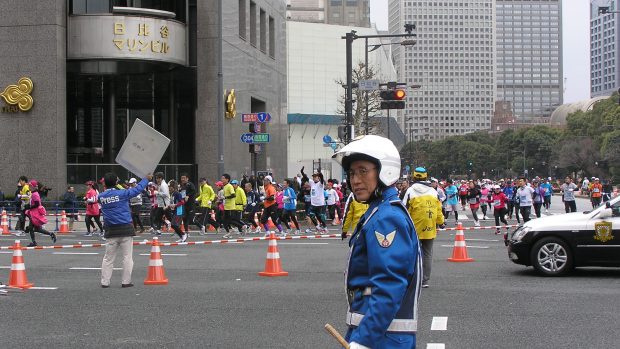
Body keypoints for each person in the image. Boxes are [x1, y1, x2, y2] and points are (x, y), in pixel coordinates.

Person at [332, 135, 420, 348]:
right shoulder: (380, 210)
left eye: (363, 171)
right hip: (379, 332)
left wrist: (363, 340)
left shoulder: (386, 217)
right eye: (352, 173)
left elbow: (389, 285)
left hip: (381, 337)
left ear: (385, 170)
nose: (355, 180)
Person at [99, 172, 151, 288]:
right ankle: (126, 281)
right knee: (127, 257)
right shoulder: (122, 193)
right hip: (125, 228)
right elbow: (136, 190)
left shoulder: (101, 197)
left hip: (111, 230)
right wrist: (145, 179)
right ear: (116, 182)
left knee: (108, 258)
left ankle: (105, 282)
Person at [402, 167, 444, 289]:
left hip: (414, 227)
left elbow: (404, 209)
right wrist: (441, 222)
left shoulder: (410, 191)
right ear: (426, 177)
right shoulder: (433, 192)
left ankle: (413, 277)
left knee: (412, 253)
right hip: (430, 227)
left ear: (414, 177)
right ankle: (425, 280)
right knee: (427, 254)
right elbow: (438, 209)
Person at [24, 180, 57, 247]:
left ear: (33, 187)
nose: (29, 187)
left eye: (30, 186)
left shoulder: (35, 194)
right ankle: (51, 234)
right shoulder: (34, 193)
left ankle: (34, 242)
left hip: (34, 214)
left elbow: (37, 204)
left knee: (31, 228)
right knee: (37, 229)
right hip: (34, 213)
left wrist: (29, 207)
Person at [221, 174, 245, 238]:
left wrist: (225, 197)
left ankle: (242, 226)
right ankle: (230, 232)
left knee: (230, 220)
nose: (222, 179)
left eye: (223, 178)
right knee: (224, 220)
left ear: (227, 179)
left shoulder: (229, 186)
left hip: (231, 206)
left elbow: (233, 195)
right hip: (226, 206)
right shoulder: (225, 186)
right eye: (222, 178)